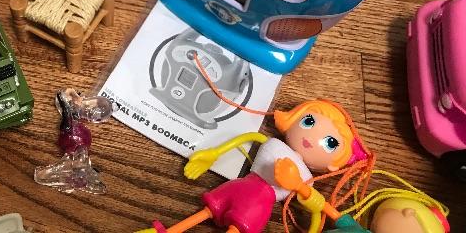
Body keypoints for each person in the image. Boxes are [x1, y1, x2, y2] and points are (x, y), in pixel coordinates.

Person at [139, 100, 367, 233]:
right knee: (206, 211)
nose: (311, 138)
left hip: (259, 204)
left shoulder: (306, 178)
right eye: (309, 121)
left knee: (236, 228)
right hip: (240, 186)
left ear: (334, 165)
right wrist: (213, 154)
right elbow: (247, 138)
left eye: (330, 143)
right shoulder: (274, 143)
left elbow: (318, 209)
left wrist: (298, 185)